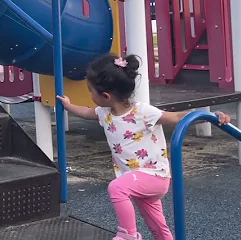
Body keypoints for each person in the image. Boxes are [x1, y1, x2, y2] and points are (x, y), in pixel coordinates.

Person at [57, 53, 231, 240]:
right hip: (134, 177)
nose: (90, 95)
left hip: (153, 176)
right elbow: (86, 112)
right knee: (157, 226)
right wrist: (68, 106)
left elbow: (176, 117)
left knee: (117, 189)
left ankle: (128, 235)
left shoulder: (142, 112)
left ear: (106, 96)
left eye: (90, 91)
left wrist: (210, 117)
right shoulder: (104, 112)